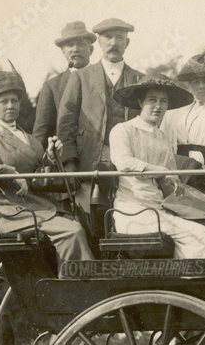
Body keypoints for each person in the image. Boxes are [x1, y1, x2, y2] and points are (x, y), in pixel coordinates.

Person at [0, 70, 94, 263]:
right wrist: (9, 172)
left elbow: (36, 173)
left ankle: (73, 278)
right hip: (10, 212)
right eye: (4, 102)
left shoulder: (31, 140)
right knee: (72, 231)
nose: (10, 106)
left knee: (85, 226)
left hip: (38, 208)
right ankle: (75, 286)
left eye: (14, 101)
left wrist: (50, 157)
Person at [109, 76, 205, 259]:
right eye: (152, 100)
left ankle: (193, 279)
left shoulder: (162, 137)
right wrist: (163, 172)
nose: (158, 106)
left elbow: (171, 179)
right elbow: (124, 162)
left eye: (163, 101)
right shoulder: (123, 130)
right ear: (140, 102)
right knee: (197, 234)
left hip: (158, 209)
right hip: (134, 211)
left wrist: (186, 195)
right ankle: (192, 283)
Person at [56, 18, 145, 214]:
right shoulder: (80, 76)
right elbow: (65, 123)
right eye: (108, 37)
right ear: (99, 42)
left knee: (129, 215)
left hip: (130, 160)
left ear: (127, 43)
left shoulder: (140, 80)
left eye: (119, 38)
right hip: (89, 159)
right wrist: (69, 163)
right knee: (91, 217)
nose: (114, 42)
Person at [32, 21, 95, 148]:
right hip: (64, 159)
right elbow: (41, 132)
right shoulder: (52, 86)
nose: (75, 49)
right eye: (70, 45)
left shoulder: (103, 79)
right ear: (63, 51)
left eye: (81, 44)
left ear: (91, 49)